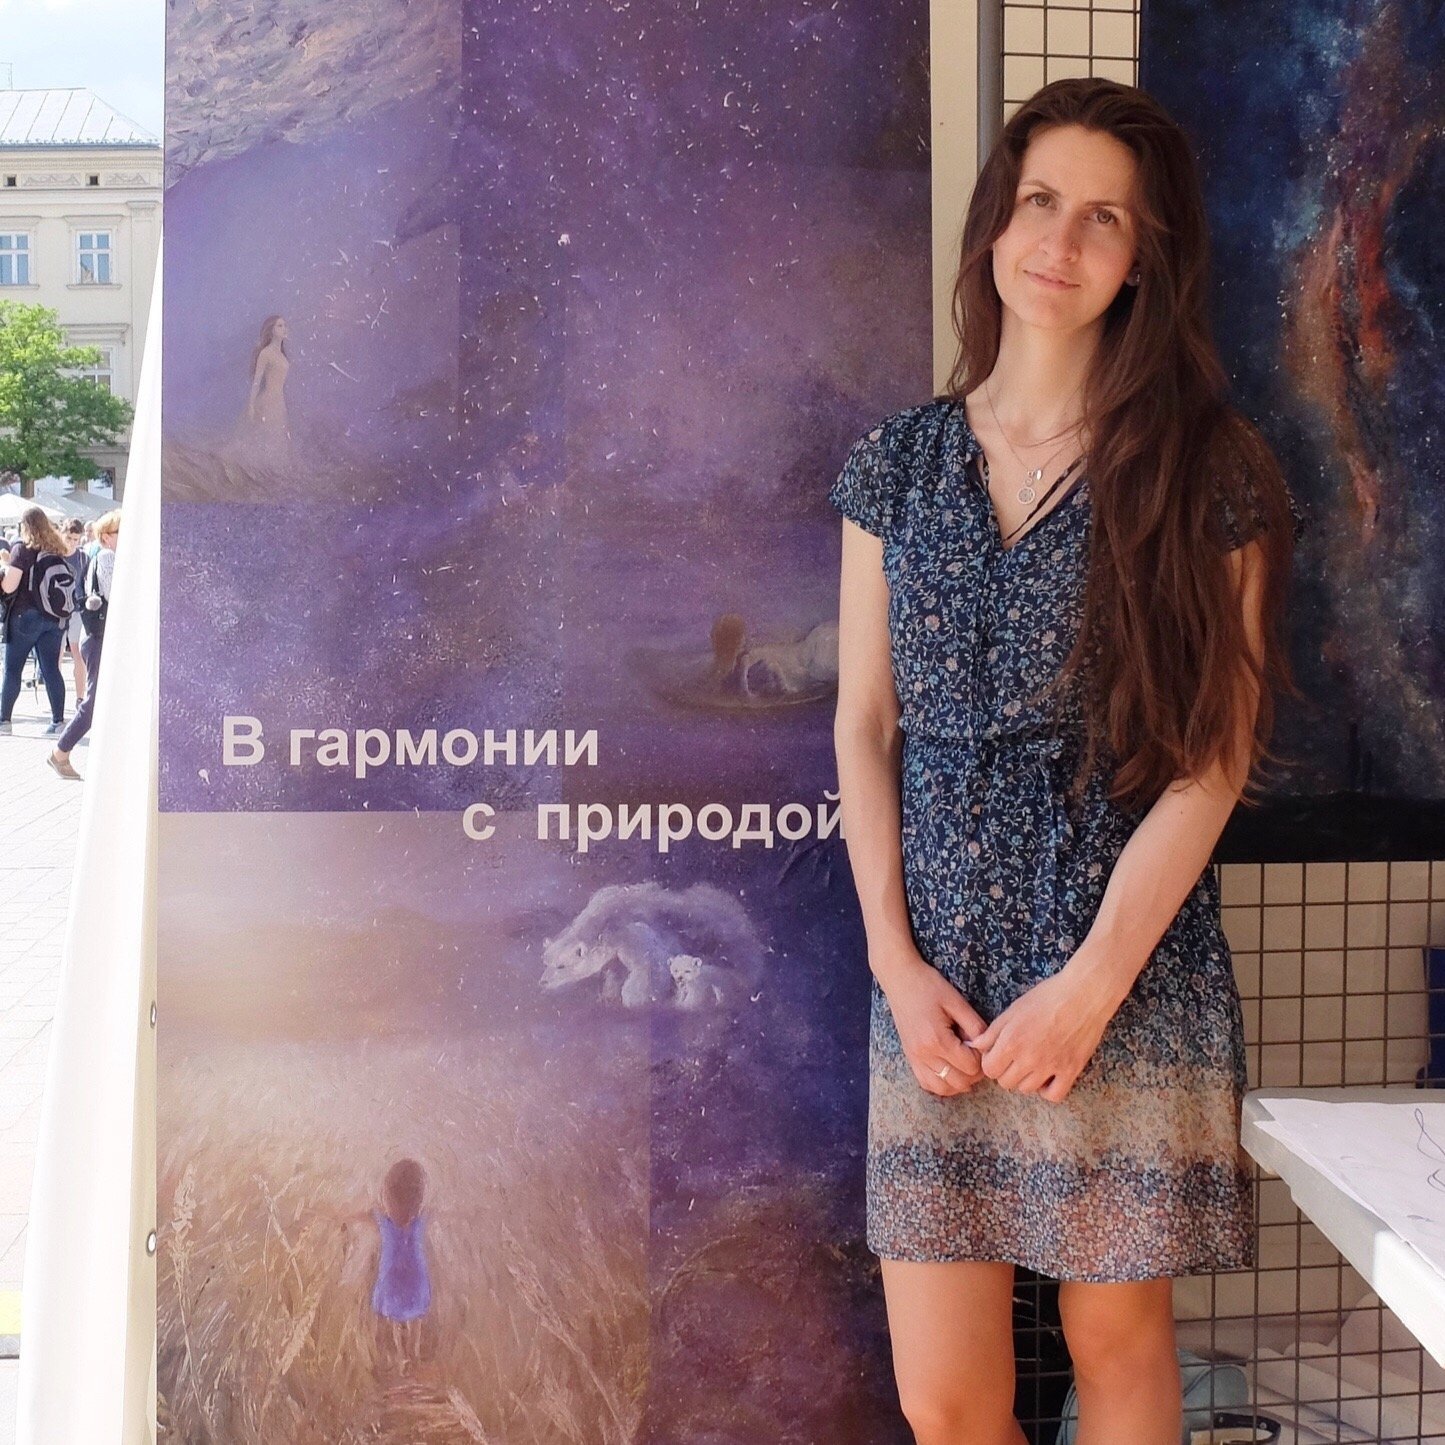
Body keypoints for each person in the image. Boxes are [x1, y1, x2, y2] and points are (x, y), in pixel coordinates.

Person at [828, 78, 1304, 1445]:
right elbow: (863, 726)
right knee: (944, 1396)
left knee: (1112, 1339)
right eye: (1039, 200)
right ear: (994, 220)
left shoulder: (1209, 469)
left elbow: (1213, 758)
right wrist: (894, 965)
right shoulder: (898, 463)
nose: (1059, 240)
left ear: (1145, 257)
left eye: (1104, 217)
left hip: (1121, 970)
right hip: (932, 981)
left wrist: (1090, 987)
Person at [47, 509, 119, 780]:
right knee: (95, 702)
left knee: (105, 701)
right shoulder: (108, 557)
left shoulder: (103, 557)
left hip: (99, 638)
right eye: (120, 532)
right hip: (101, 638)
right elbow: (116, 597)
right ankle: (60, 752)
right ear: (106, 536)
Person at [0, 505, 75, 734]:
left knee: (13, 670)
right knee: (51, 669)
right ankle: (58, 721)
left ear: (25, 526)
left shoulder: (22, 550)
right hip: (54, 618)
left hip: (25, 616)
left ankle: (4, 721)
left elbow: (9, 586)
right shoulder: (56, 549)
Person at [60, 518, 90, 705]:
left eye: (76, 539)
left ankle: (80, 697)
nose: (72, 543)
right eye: (69, 538)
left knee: (78, 654)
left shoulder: (83, 558)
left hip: (77, 609)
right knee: (57, 654)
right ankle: (57, 701)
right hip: (56, 612)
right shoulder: (55, 555)